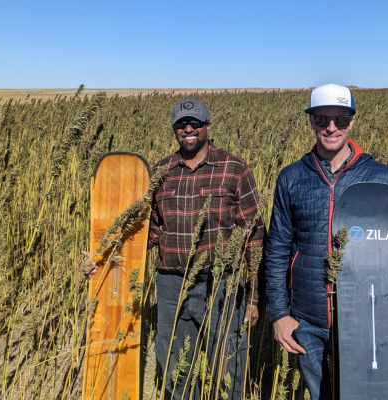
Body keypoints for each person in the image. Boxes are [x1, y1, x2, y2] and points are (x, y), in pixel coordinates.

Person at [85, 97, 265, 399]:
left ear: (207, 126)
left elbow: (255, 236)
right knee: (176, 370)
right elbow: (147, 235)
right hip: (172, 286)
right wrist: (103, 260)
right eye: (181, 124)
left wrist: (254, 298)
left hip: (221, 284)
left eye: (195, 122)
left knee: (230, 369)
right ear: (174, 130)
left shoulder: (234, 168)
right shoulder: (160, 172)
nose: (189, 128)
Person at [264, 84, 388, 400]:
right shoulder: (291, 177)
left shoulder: (380, 177)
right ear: (311, 121)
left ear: (352, 121)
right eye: (322, 119)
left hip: (368, 317)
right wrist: (279, 314)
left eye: (340, 119)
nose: (331, 127)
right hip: (307, 320)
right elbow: (278, 250)